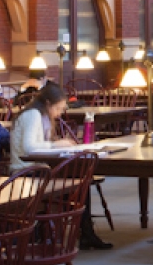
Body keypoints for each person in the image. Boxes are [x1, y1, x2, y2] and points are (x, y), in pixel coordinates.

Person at [10, 81, 112, 249]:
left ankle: (85, 231)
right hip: (25, 171)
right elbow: (29, 148)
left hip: (38, 169)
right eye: (57, 109)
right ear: (48, 103)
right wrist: (56, 145)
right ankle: (83, 232)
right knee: (78, 182)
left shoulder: (42, 116)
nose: (59, 114)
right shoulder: (33, 115)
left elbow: (38, 148)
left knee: (80, 180)